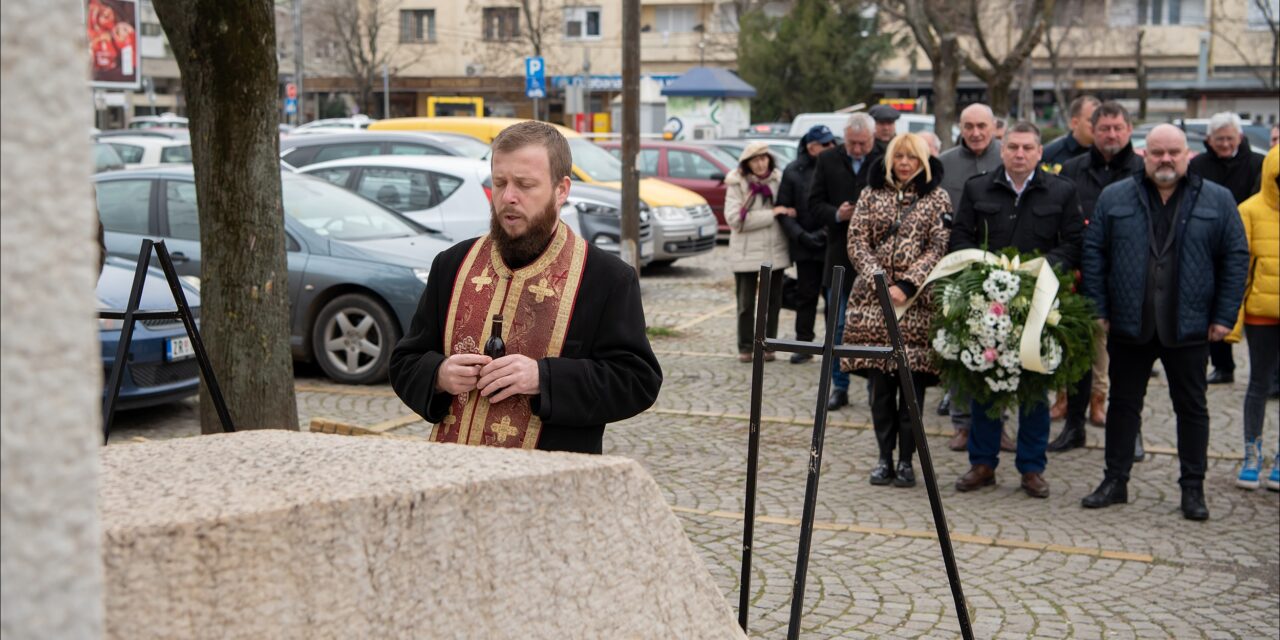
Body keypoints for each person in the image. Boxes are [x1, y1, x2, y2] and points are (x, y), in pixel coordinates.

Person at [388, 121, 663, 455]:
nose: (508, 198)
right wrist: (439, 374)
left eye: (525, 185)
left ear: (562, 190)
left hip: (552, 485)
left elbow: (636, 381)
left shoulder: (606, 278)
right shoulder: (452, 264)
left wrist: (543, 378)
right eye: (499, 183)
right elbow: (405, 361)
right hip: (453, 473)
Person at [1080, 125, 1249, 520]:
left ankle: (1193, 488)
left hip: (1189, 325)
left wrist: (1224, 316)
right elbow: (1094, 254)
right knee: (1123, 407)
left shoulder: (1218, 200)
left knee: (1192, 408)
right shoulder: (1115, 196)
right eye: (1158, 152)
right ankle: (1115, 480)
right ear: (1144, 155)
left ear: (1189, 154)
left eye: (1174, 152)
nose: (1166, 159)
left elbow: (1235, 258)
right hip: (1129, 323)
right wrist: (1098, 309)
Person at [949, 122, 1084, 499]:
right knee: (985, 383)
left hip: (1038, 303)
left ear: (1040, 152)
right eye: (1013, 147)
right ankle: (983, 463)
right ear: (1001, 149)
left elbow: (1073, 243)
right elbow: (961, 236)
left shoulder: (1061, 190)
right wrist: (986, 271)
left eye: (1027, 147)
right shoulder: (979, 188)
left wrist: (1037, 271)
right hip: (986, 301)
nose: (1020, 154)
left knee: (1034, 387)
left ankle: (1031, 467)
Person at [842, 133, 950, 488]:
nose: (905, 163)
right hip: (873, 306)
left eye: (912, 158)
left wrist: (907, 284)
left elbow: (938, 247)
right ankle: (883, 456)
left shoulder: (936, 198)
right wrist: (880, 281)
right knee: (880, 391)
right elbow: (856, 240)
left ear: (923, 161)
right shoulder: (871, 194)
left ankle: (907, 460)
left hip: (916, 307)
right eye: (899, 156)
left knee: (912, 392)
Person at [1049, 101, 1145, 453]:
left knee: (1128, 363)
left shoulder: (1141, 169)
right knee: (1076, 356)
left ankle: (1130, 432)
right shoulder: (1072, 170)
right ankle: (1074, 426)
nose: (1111, 134)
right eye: (1104, 128)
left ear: (1129, 130)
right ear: (1092, 129)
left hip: (1131, 278)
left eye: (1118, 128)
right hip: (1082, 275)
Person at [938, 103, 1006, 451]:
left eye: (982, 125)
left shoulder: (1008, 157)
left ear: (995, 126)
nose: (976, 132)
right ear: (960, 129)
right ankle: (962, 423)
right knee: (960, 347)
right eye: (968, 126)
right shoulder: (945, 163)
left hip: (1005, 268)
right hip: (959, 270)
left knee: (1004, 348)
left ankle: (1001, 423)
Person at [808, 112, 884, 410]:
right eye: (852, 143)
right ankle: (839, 386)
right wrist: (837, 214)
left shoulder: (884, 157)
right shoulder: (828, 160)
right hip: (838, 256)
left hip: (874, 259)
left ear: (873, 139)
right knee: (837, 327)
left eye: (862, 144)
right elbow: (813, 204)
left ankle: (874, 387)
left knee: (873, 328)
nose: (856, 149)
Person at [1188, 112, 1265, 386]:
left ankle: (1264, 370)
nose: (1224, 144)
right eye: (1219, 139)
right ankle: (1223, 365)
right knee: (1215, 302)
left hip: (1252, 238)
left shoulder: (1258, 163)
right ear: (1209, 140)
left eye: (1229, 138)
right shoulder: (1198, 165)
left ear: (1239, 138)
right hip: (1210, 241)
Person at [1227, 146, 1279, 490]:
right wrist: (1233, 322)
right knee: (1257, 384)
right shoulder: (1250, 210)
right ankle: (1251, 452)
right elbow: (1239, 269)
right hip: (1262, 316)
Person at [725, 142, 791, 362]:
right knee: (746, 303)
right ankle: (745, 347)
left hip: (775, 249)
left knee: (773, 301)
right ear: (747, 164)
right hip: (746, 252)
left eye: (763, 158)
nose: (760, 164)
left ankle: (768, 344)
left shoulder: (779, 180)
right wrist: (771, 213)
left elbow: (789, 208)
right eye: (755, 160)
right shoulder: (737, 183)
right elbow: (735, 219)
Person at [776, 125, 836, 363]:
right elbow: (783, 209)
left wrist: (823, 234)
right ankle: (804, 344)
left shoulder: (834, 167)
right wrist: (801, 236)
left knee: (832, 296)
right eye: (826, 144)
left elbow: (840, 206)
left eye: (832, 143)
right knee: (806, 296)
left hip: (829, 243)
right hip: (803, 244)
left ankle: (834, 345)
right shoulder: (793, 171)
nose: (831, 147)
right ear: (812, 147)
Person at [1042, 95, 1100, 169]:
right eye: (1091, 120)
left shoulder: (1107, 153)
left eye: (1099, 121)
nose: (1097, 125)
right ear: (1075, 123)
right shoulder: (1049, 154)